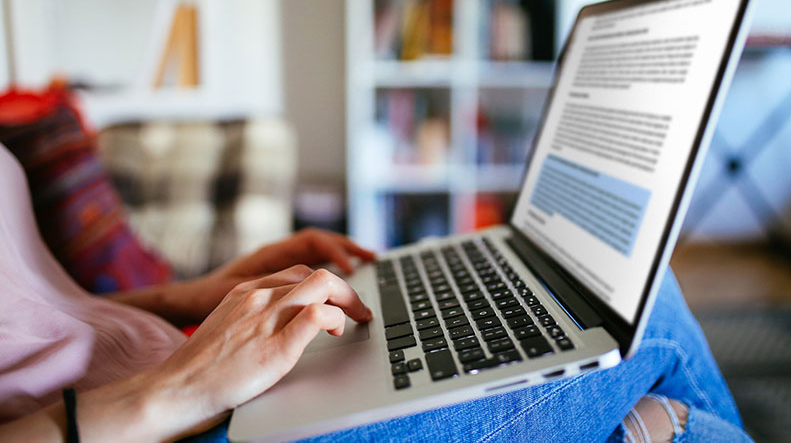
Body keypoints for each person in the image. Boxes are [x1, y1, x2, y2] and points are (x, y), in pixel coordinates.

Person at [0, 143, 751, 442]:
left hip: (200, 381)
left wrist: (192, 297)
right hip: (167, 423)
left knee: (614, 297)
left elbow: (38, 307)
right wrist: (164, 395)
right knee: (640, 311)